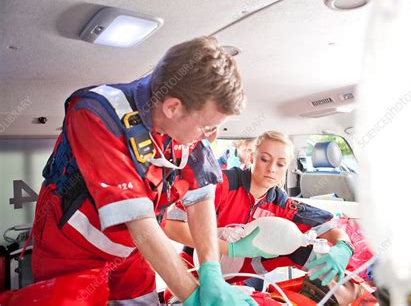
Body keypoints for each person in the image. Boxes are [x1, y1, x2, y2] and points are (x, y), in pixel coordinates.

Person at [31, 37, 257, 305]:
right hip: (72, 253)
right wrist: (195, 298)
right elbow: (138, 221)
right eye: (207, 127)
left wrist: (211, 272)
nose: (212, 136)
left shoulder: (188, 130)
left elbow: (200, 197)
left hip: (133, 251)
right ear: (172, 107)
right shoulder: (95, 115)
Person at [165, 131, 354, 290]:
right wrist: (229, 249)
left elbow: (331, 229)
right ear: (251, 158)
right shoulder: (222, 184)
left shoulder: (281, 205)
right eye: (265, 159)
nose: (271, 168)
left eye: (280, 164)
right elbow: (170, 226)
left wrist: (343, 247)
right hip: (197, 265)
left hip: (241, 275)